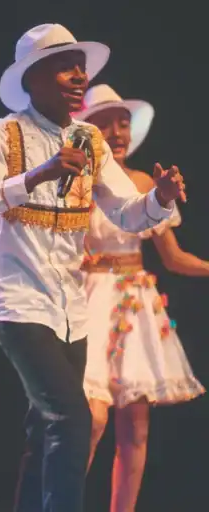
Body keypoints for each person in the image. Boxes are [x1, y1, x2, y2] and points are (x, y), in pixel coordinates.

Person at [0, 24, 185, 512]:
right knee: (72, 418)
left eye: (81, 67)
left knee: (45, 430)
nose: (79, 76)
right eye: (66, 67)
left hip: (71, 309)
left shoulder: (90, 141)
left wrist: (159, 199)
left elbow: (126, 210)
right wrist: (36, 175)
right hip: (18, 302)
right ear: (34, 78)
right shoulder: (6, 133)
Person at [74, 84, 206, 512]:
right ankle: (58, 501)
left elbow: (173, 258)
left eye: (123, 123)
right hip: (90, 299)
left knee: (135, 429)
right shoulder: (78, 180)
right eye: (105, 123)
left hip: (134, 306)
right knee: (90, 419)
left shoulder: (144, 182)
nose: (117, 132)